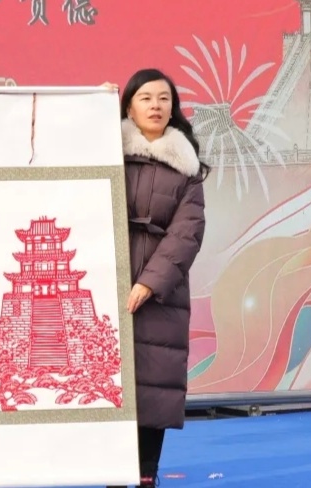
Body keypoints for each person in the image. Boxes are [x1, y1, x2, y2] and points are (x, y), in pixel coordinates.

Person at [104, 69, 208, 488]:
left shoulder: (187, 170)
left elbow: (188, 233)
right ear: (129, 107)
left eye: (164, 99)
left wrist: (149, 282)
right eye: (145, 98)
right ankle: (112, 476)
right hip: (107, 285)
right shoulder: (104, 153)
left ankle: (147, 475)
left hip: (160, 296)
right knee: (107, 390)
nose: (155, 106)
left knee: (152, 388)